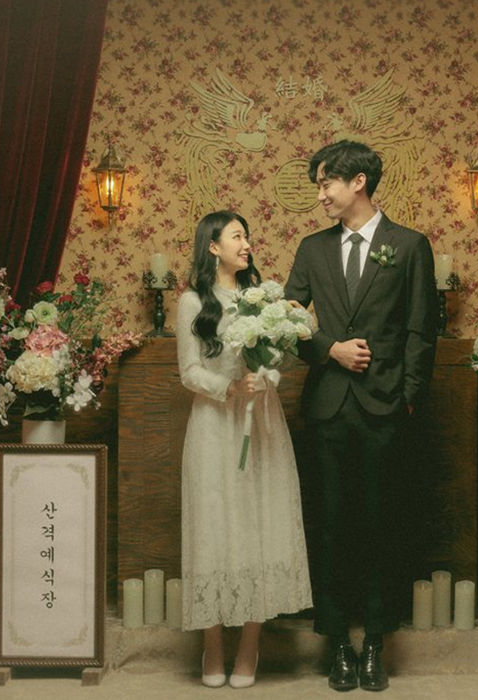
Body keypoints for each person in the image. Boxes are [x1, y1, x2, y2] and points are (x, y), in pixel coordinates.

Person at [285, 140, 438, 692]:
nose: (321, 195)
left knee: (381, 525)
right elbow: (287, 320)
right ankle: (337, 646)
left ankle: (375, 641)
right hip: (328, 407)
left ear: (358, 183)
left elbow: (422, 328)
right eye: (319, 185)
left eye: (326, 183)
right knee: (329, 526)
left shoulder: (409, 245)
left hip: (385, 407)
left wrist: (408, 396)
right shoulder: (312, 248)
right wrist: (330, 348)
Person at [177, 210, 312, 688]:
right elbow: (189, 371)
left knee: (260, 524)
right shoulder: (193, 302)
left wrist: (264, 376)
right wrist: (230, 388)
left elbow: (277, 360)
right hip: (214, 425)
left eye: (248, 235)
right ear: (213, 247)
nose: (247, 243)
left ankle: (249, 647)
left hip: (263, 424)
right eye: (237, 236)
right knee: (214, 527)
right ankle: (212, 646)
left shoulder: (262, 301)